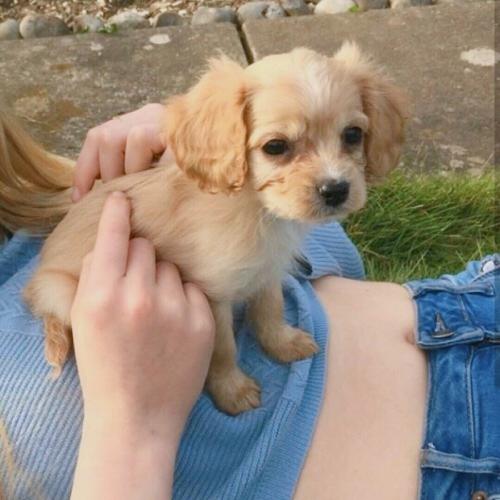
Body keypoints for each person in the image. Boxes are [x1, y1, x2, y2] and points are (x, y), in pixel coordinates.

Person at [0, 104, 498, 500]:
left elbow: (331, 257)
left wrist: (217, 161)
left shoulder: (42, 202)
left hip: (466, 312)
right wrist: (133, 428)